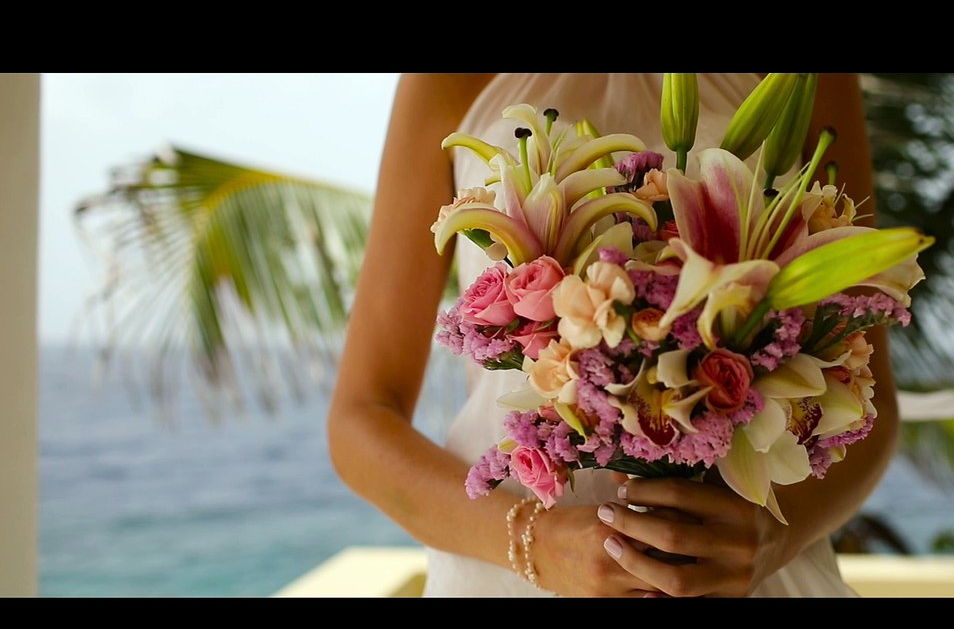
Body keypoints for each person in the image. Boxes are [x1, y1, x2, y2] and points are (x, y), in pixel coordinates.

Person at [327, 73, 900, 597]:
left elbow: (867, 400)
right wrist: (532, 543)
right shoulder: (446, 83)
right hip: (509, 574)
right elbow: (360, 418)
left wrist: (775, 536)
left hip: (744, 572)